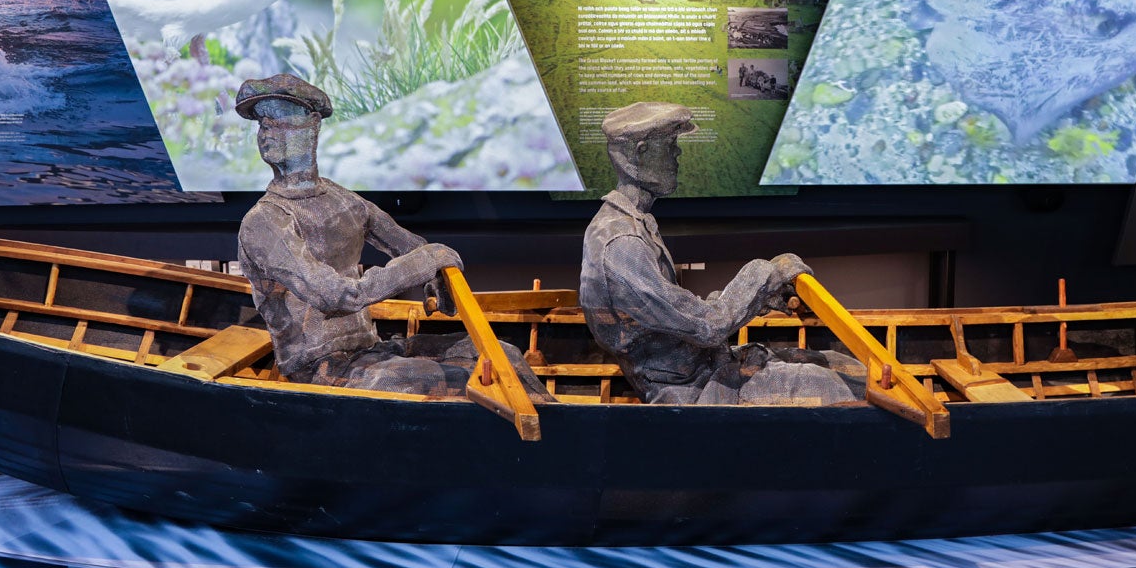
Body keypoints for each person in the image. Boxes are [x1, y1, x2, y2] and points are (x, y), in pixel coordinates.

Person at [234, 73, 551, 398]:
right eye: (262, 123)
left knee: (503, 354)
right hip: (321, 369)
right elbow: (335, 296)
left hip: (368, 350)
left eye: (279, 120)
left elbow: (413, 248)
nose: (266, 133)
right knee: (447, 379)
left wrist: (438, 273)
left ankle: (554, 421)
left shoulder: (344, 201)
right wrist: (423, 263)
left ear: (312, 125)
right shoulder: (264, 221)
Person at [579, 101, 864, 405]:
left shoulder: (631, 225)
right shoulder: (621, 244)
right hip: (692, 392)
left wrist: (760, 297)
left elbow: (684, 313)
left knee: (837, 362)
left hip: (706, 365)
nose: (678, 153)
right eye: (670, 144)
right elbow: (707, 327)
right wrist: (765, 274)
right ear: (640, 153)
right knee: (837, 384)